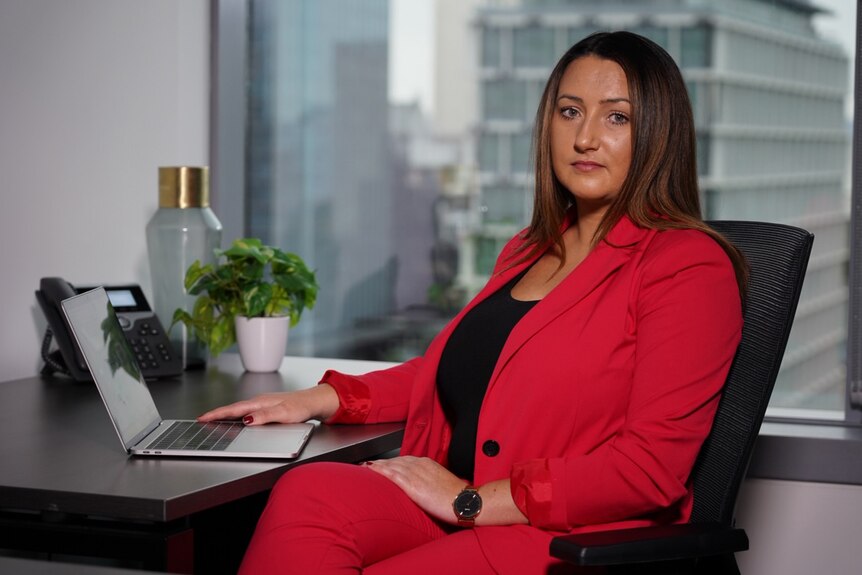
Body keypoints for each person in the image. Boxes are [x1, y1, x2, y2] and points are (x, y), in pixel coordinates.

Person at [200, 30, 747, 574]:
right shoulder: (531, 248)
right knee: (308, 491)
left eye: (617, 117)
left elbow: (648, 468)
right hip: (469, 501)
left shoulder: (686, 264)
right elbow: (463, 372)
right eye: (570, 111)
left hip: (563, 536)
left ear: (658, 133)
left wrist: (473, 502)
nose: (585, 138)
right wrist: (322, 399)